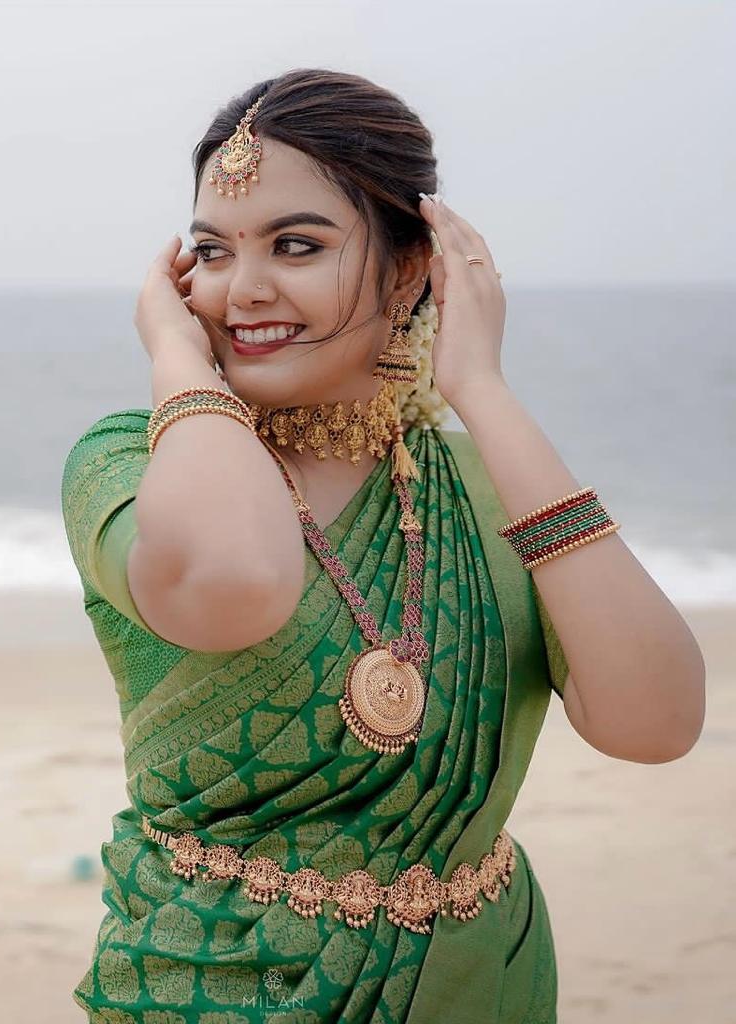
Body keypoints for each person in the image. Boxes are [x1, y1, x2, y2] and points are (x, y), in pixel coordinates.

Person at [61, 69, 705, 1024]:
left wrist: (481, 389)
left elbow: (654, 724)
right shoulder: (129, 462)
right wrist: (175, 359)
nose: (244, 289)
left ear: (415, 267)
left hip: (475, 984)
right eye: (211, 250)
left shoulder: (486, 486)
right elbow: (232, 582)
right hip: (209, 988)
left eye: (296, 244)